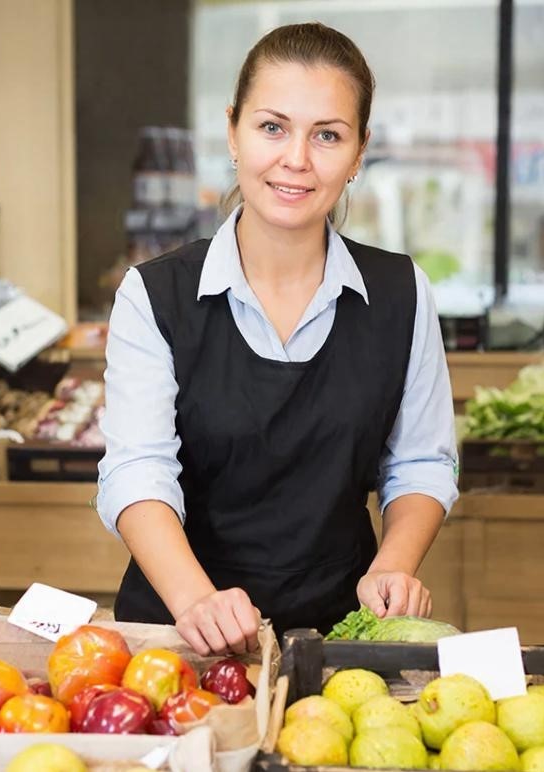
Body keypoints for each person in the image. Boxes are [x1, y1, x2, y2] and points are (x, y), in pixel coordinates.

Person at [97, 22, 458, 657]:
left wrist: (393, 566)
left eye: (327, 135)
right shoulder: (154, 295)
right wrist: (196, 599)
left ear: (359, 152)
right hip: (180, 638)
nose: (297, 158)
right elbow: (137, 470)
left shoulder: (401, 293)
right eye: (272, 127)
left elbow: (422, 463)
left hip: (338, 639)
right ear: (233, 131)